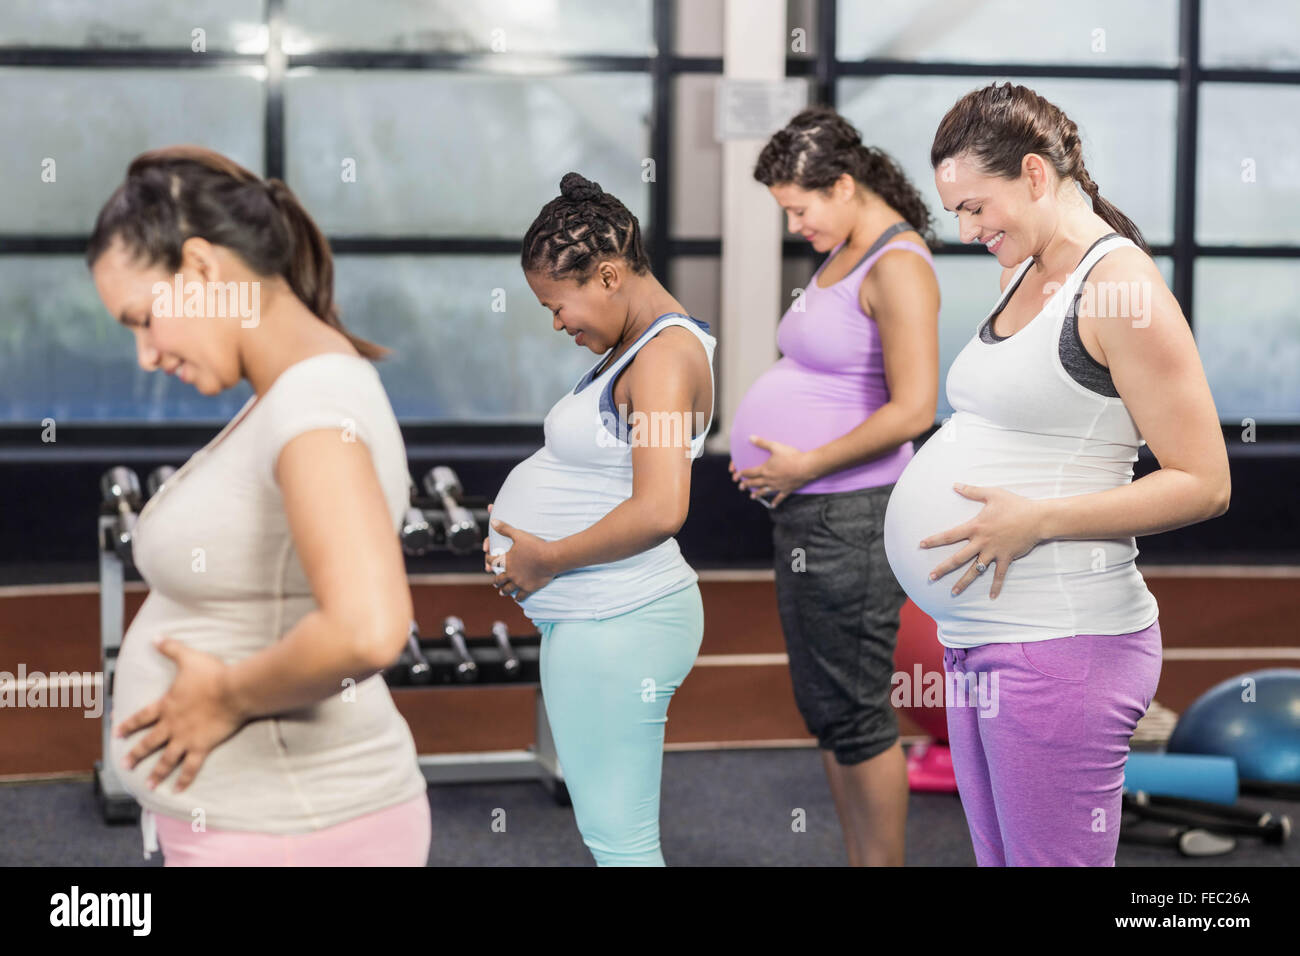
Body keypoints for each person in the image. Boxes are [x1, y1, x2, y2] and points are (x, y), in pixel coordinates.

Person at [882, 82, 1231, 866]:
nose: (966, 228)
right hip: (978, 640)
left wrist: (1038, 520)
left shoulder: (1119, 286)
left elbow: (1205, 481)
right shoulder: (1027, 266)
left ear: (1036, 174)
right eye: (957, 212)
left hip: (1061, 643)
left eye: (976, 206)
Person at [87, 145, 430, 866]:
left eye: (144, 318)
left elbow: (368, 630)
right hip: (268, 825)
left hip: (293, 830)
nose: (146, 354)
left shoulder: (312, 405)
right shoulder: (295, 394)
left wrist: (226, 699)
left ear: (205, 269)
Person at [729, 106, 941, 866]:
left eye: (799, 208)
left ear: (844, 185)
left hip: (854, 514)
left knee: (854, 711)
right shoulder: (844, 251)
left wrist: (805, 465)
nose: (794, 226)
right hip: (812, 516)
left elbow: (916, 408)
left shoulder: (898, 265)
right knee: (828, 709)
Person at [484, 172, 716, 866]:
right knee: (610, 837)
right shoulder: (634, 350)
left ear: (609, 275)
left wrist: (546, 558)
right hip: (595, 618)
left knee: (622, 844)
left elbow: (661, 507)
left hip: (623, 617)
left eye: (558, 304)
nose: (557, 323)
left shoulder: (666, 356)